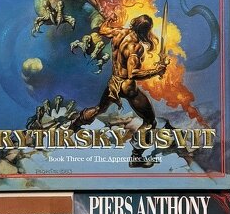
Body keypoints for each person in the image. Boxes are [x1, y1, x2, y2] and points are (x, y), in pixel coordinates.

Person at [69, 12, 169, 168]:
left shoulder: (119, 32)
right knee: (150, 121)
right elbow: (132, 73)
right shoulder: (135, 47)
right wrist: (156, 71)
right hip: (127, 87)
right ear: (145, 31)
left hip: (114, 82)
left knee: (99, 109)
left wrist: (108, 20)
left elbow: (102, 30)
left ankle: (74, 126)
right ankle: (136, 158)